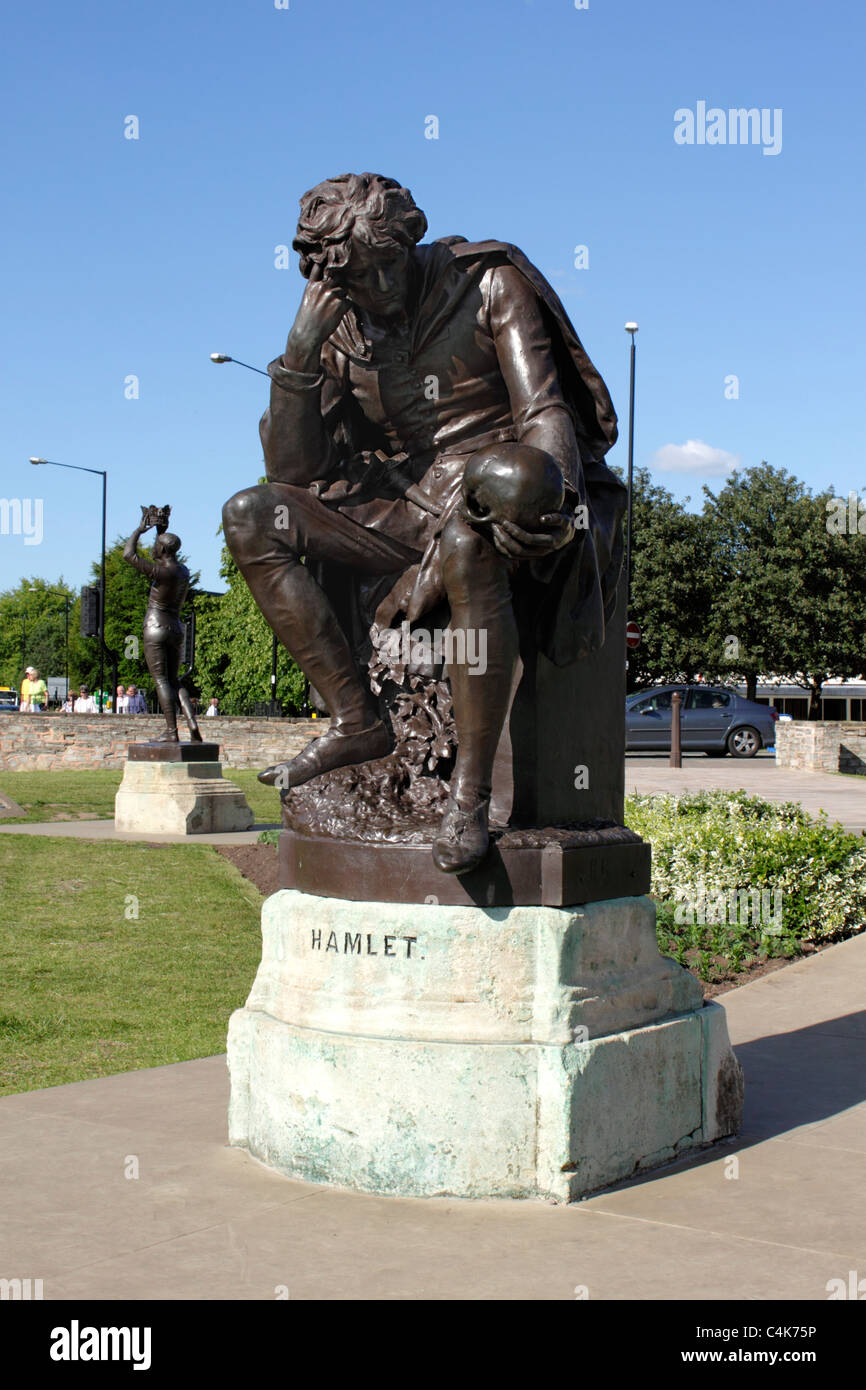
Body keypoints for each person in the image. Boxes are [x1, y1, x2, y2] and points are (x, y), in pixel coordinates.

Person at [222, 173, 624, 873]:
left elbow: (545, 413)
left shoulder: (490, 282)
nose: (373, 293)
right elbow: (293, 470)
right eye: (353, 282)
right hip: (401, 503)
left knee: (477, 526)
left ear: (405, 243)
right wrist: (299, 359)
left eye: (381, 272)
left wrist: (556, 500)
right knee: (253, 515)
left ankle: (468, 795)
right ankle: (356, 721)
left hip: (495, 492)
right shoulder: (340, 326)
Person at [122, 515, 202, 743]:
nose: (154, 548)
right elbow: (164, 552)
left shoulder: (162, 573)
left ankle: (171, 731)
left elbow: (129, 555)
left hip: (156, 626)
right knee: (175, 680)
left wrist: (139, 530)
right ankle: (191, 721)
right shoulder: (183, 571)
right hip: (175, 628)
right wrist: (161, 532)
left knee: (161, 680)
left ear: (163, 550)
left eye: (157, 545)